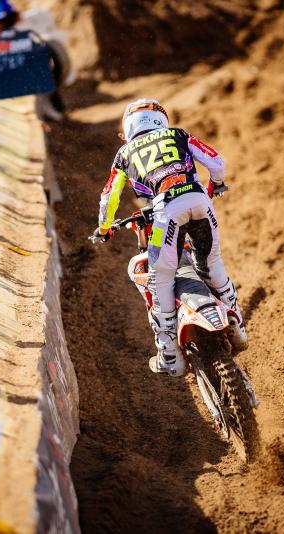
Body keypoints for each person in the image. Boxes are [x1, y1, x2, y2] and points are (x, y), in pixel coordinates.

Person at [93, 99, 247, 376]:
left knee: (160, 275)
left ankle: (169, 353)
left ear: (128, 127)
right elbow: (216, 161)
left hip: (166, 211)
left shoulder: (125, 153)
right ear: (160, 120)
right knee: (211, 262)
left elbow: (109, 197)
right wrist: (216, 183)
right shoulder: (178, 134)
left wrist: (104, 228)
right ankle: (238, 326)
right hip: (200, 201)